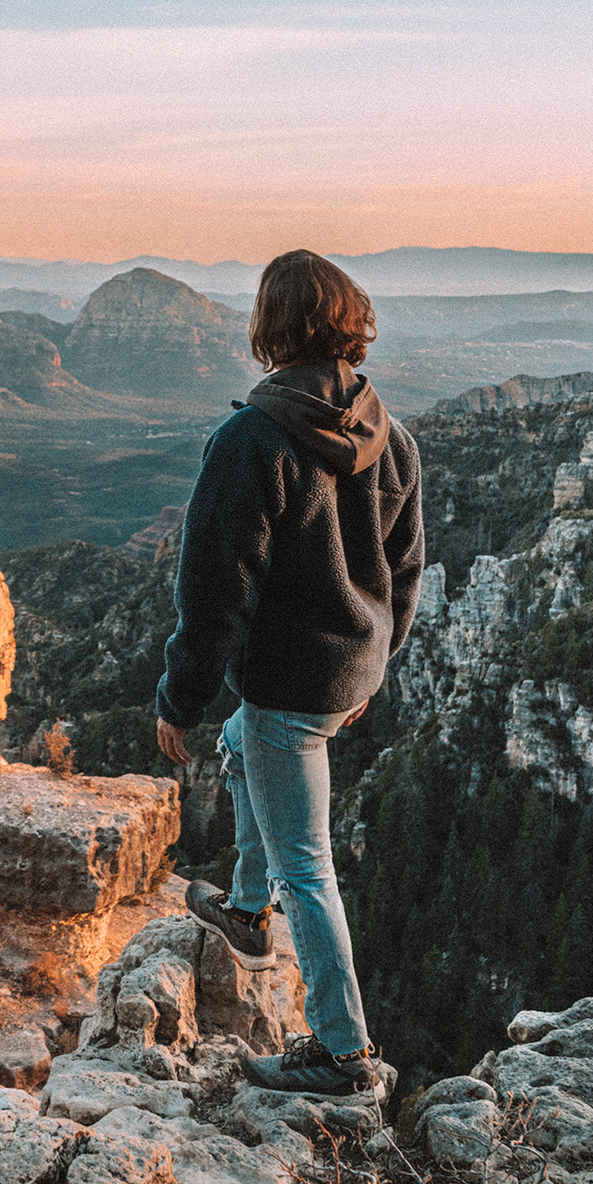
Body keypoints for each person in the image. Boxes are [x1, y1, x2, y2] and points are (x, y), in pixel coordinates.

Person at [156, 248, 424, 1100]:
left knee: (306, 865)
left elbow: (214, 593)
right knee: (249, 745)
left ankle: (343, 1055)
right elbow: (405, 570)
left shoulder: (250, 440)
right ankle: (243, 905)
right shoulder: (392, 437)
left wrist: (179, 699)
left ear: (269, 331)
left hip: (285, 681)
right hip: (344, 672)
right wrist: (372, 671)